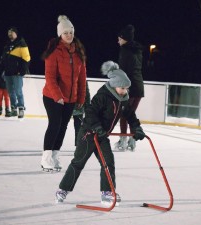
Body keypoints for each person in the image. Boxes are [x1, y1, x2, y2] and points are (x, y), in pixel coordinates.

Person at [55, 61, 146, 205]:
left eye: (127, 88)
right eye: (122, 88)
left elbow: (130, 115)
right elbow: (90, 113)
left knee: (108, 162)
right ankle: (62, 190)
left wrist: (137, 128)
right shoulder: (103, 96)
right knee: (78, 163)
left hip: (102, 136)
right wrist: (97, 127)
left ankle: (107, 193)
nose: (125, 91)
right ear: (114, 85)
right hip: (89, 134)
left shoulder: (123, 99)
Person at [40, 15, 87, 172]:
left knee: (63, 127)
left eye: (71, 32)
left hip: (71, 98)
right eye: (65, 32)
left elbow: (82, 79)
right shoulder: (54, 52)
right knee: (55, 125)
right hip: (52, 97)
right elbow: (50, 78)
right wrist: (57, 96)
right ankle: (45, 158)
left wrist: (81, 98)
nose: (69, 35)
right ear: (60, 34)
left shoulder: (78, 53)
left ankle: (54, 155)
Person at [114, 24, 145, 151]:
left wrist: (121, 86)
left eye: (120, 38)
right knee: (130, 114)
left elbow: (123, 71)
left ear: (125, 39)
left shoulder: (125, 50)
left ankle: (123, 139)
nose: (118, 41)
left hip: (129, 87)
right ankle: (132, 140)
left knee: (124, 114)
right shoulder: (137, 50)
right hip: (139, 86)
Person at [0, 27, 31, 118]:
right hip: (8, 73)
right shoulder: (7, 45)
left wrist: (22, 71)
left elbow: (27, 58)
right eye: (8, 32)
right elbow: (3, 60)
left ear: (16, 33)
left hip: (17, 73)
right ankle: (14, 109)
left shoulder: (21, 43)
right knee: (11, 92)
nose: (10, 34)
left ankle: (21, 109)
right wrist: (1, 71)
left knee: (18, 92)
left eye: (11, 32)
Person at [72, 81, 90, 146]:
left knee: (78, 127)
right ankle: (54, 147)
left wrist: (88, 107)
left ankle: (78, 144)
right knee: (61, 126)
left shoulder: (83, 80)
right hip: (68, 106)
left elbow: (86, 94)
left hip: (78, 107)